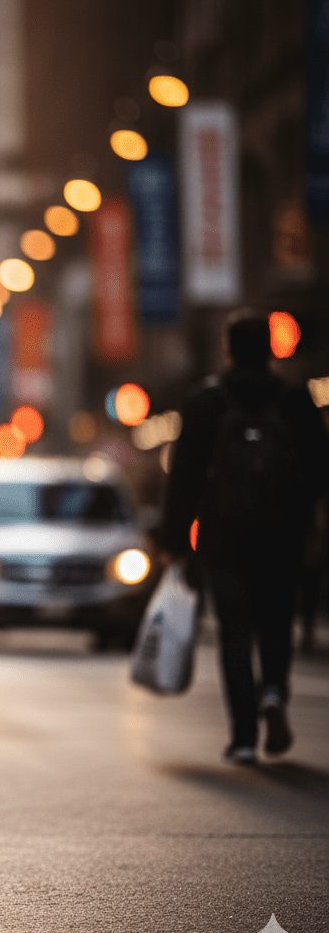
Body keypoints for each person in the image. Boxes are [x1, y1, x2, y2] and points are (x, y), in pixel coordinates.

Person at [161, 311, 329, 765]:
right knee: (276, 621)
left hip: (224, 536)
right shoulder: (296, 400)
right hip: (282, 535)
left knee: (235, 632)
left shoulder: (207, 402)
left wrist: (176, 541)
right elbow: (319, 471)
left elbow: (185, 478)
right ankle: (274, 690)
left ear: (228, 349)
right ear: (270, 349)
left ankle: (243, 736)